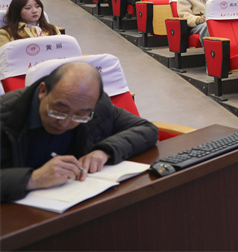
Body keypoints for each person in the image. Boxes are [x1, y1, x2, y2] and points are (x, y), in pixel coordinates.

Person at [0, 61, 158, 202]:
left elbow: (146, 129)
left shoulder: (96, 106)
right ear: (43, 91)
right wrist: (33, 179)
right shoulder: (6, 113)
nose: (65, 123)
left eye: (79, 116)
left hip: (76, 203)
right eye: (58, 111)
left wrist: (104, 151)